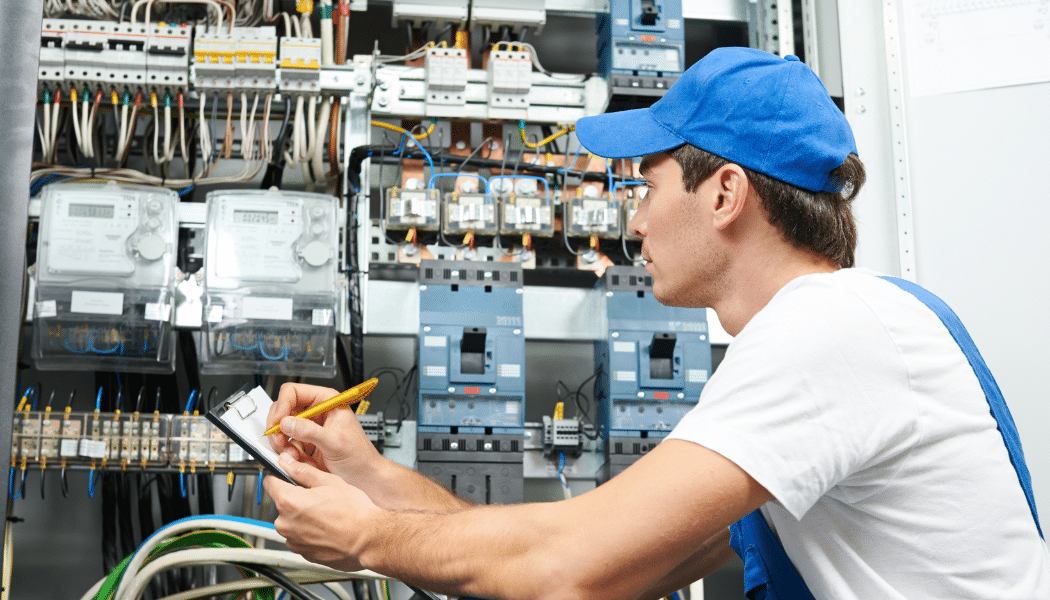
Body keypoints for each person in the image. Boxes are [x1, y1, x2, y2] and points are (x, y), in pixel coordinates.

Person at [263, 47, 1050, 599]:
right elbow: (612, 565)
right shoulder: (833, 337)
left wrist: (365, 538)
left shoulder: (829, 330)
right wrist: (370, 477)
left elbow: (568, 566)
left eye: (649, 185)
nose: (633, 223)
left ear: (725, 194)